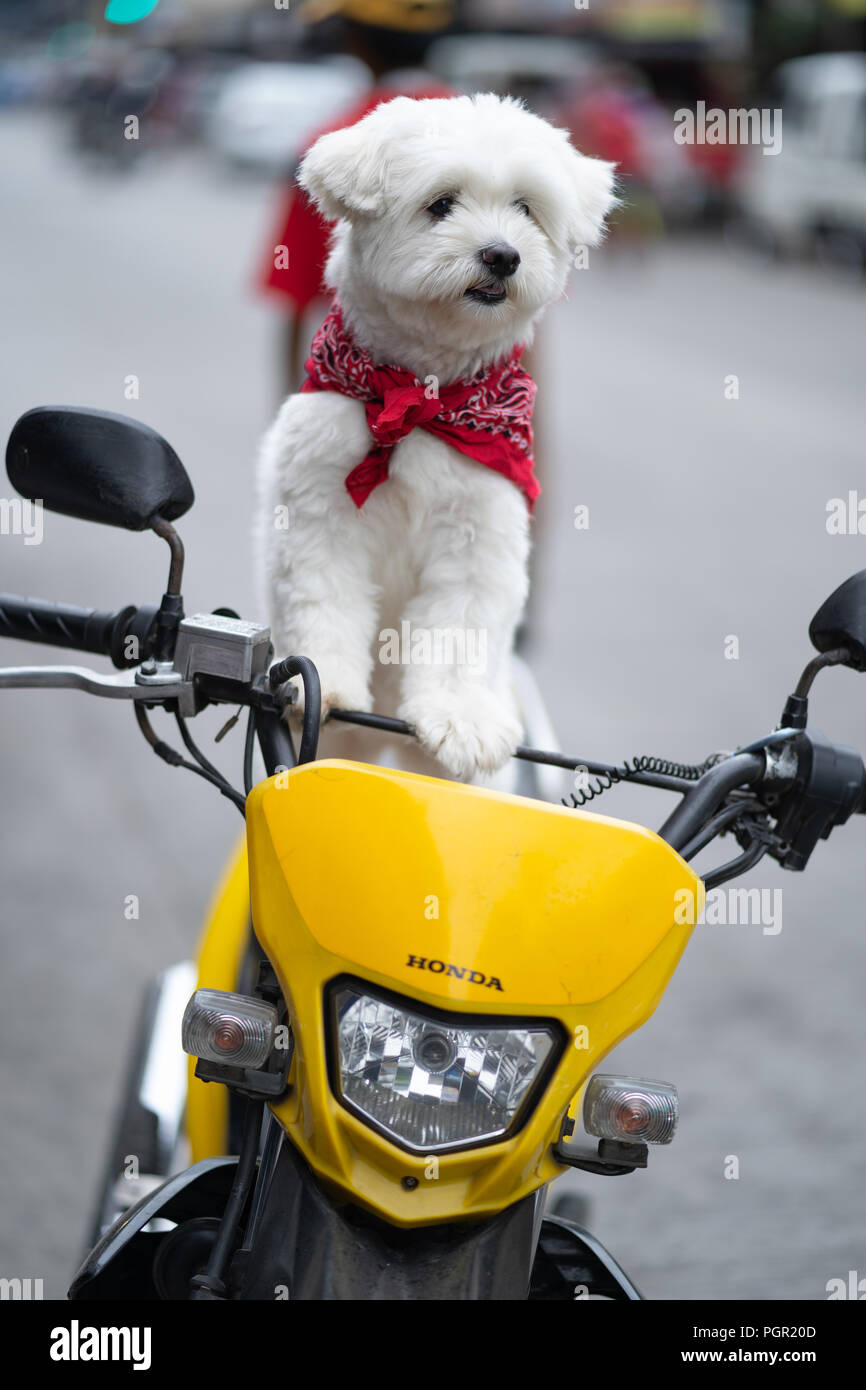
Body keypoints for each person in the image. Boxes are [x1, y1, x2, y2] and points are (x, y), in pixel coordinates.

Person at [258, 0, 456, 393]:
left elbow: (295, 300)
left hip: (356, 412)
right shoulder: (495, 138)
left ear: (354, 40)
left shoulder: (325, 152)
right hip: (473, 423)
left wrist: (290, 416)